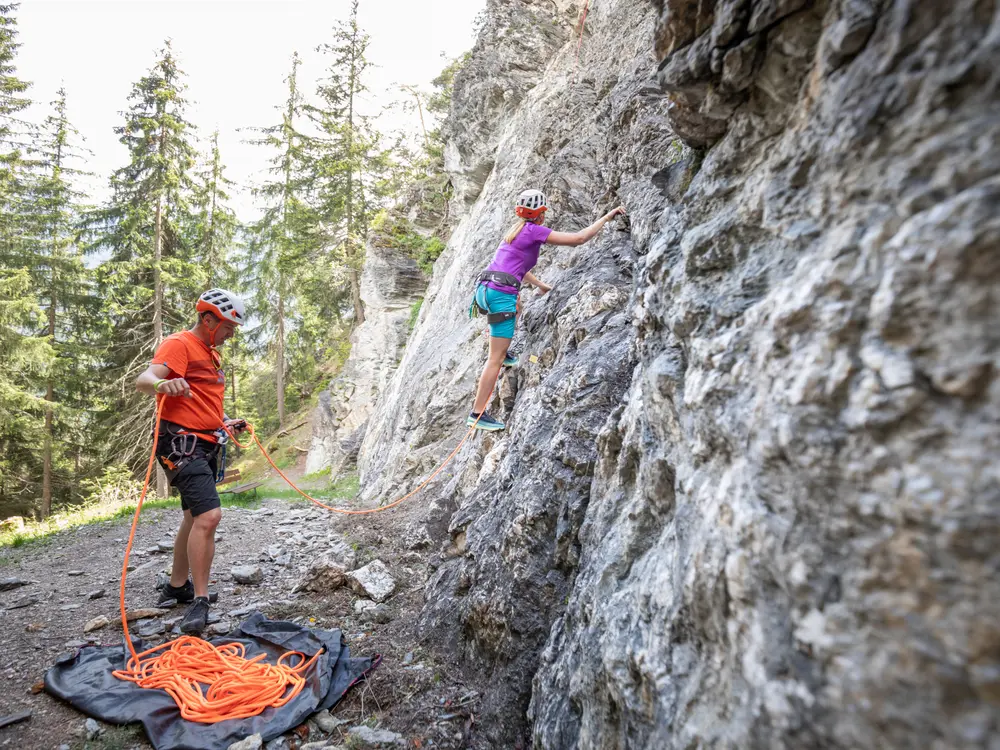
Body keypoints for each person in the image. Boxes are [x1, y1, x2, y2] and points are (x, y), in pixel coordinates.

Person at [134, 289, 247, 635]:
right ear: (208, 319)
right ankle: (199, 601)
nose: (231, 334)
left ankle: (177, 585)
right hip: (180, 442)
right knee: (209, 516)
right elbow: (145, 378)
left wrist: (224, 420)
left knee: (192, 515)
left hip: (205, 440)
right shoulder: (180, 344)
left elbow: (204, 402)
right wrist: (164, 384)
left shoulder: (211, 356)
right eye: (227, 326)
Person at [468, 189, 626, 430]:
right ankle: (477, 414)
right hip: (501, 294)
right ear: (541, 214)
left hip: (486, 289)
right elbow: (578, 239)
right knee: (494, 359)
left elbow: (518, 268)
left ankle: (506, 353)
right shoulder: (533, 230)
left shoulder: (515, 232)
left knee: (517, 309)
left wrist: (542, 286)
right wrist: (607, 217)